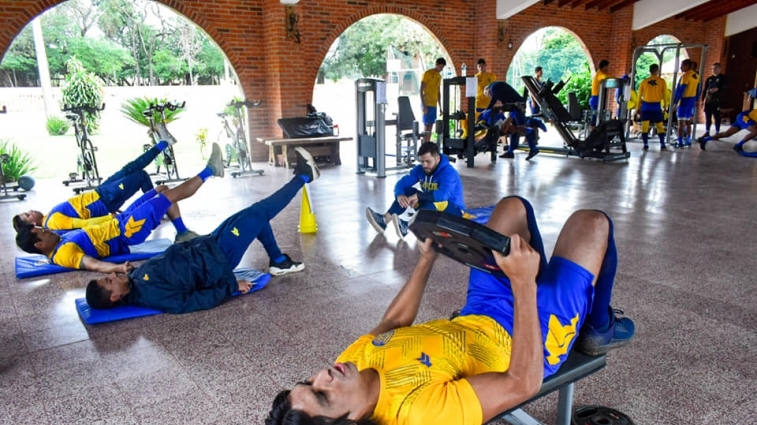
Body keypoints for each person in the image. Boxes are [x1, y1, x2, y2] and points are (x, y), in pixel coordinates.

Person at [268, 196, 635, 425]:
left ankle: (539, 275)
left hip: (480, 311)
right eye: (322, 395)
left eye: (308, 382)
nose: (322, 376)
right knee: (592, 222)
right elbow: (521, 383)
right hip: (531, 341)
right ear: (353, 420)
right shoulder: (420, 412)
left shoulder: (349, 365)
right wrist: (523, 284)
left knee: (512, 208)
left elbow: (394, 322)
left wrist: (426, 260)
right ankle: (598, 326)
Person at [84, 148, 320, 313]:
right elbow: (191, 302)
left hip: (207, 245)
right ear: (115, 297)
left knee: (252, 215)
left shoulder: (135, 280)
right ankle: (304, 176)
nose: (112, 275)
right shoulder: (150, 295)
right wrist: (230, 286)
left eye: (108, 276)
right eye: (109, 281)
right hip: (218, 258)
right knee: (259, 212)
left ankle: (278, 261)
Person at [13, 144, 226, 273]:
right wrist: (118, 268)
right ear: (40, 244)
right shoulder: (64, 254)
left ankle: (182, 233)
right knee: (168, 197)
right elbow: (93, 264)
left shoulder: (58, 239)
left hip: (121, 220)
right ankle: (210, 170)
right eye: (43, 232)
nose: (48, 230)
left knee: (161, 190)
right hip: (127, 230)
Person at [13, 139, 198, 242]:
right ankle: (161, 213)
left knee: (131, 168)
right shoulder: (53, 221)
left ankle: (163, 143)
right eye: (28, 215)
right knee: (140, 176)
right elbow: (84, 224)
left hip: (100, 193)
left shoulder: (49, 217)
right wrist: (112, 218)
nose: (31, 211)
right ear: (33, 225)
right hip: (105, 199)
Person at [365, 142, 464, 239]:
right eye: (422, 161)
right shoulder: (420, 169)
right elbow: (401, 184)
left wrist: (419, 196)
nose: (424, 165)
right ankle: (384, 220)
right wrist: (399, 195)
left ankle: (407, 226)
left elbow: (443, 195)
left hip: (453, 212)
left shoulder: (449, 173)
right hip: (431, 208)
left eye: (428, 161)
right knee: (407, 191)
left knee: (437, 202)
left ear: (437, 159)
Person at [698, 88, 757, 155]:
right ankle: (738, 146)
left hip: (745, 118)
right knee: (755, 131)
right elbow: (753, 92)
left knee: (727, 134)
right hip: (745, 117)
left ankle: (704, 140)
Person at [637, 64, 668, 151]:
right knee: (660, 126)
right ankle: (662, 144)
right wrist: (665, 106)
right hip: (656, 106)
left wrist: (638, 108)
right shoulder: (662, 81)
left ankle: (646, 145)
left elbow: (639, 96)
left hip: (646, 107)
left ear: (650, 71)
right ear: (657, 71)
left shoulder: (644, 82)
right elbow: (665, 95)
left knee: (645, 127)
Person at [673, 59, 700, 147]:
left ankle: (680, 141)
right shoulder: (696, 76)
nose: (681, 67)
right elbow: (698, 89)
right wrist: (697, 99)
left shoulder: (686, 76)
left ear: (687, 66)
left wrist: (675, 102)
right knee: (688, 122)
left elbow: (681, 90)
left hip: (683, 101)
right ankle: (688, 140)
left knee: (681, 123)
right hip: (691, 101)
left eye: (682, 65)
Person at [420, 58, 446, 142]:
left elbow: (438, 92)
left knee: (431, 125)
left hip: (433, 104)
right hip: (426, 103)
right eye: (440, 67)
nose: (441, 69)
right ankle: (424, 144)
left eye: (443, 67)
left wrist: (440, 107)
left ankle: (428, 142)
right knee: (426, 125)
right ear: (436, 64)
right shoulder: (427, 73)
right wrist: (424, 105)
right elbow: (421, 90)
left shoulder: (439, 76)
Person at [701, 63, 727, 136]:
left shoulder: (723, 78)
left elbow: (726, 86)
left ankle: (717, 132)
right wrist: (702, 100)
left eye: (715, 68)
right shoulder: (709, 79)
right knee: (708, 116)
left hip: (717, 100)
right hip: (709, 100)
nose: (714, 70)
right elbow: (705, 89)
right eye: (712, 68)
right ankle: (707, 131)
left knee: (716, 116)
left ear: (719, 68)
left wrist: (718, 88)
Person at [589, 60, 611, 131]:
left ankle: (597, 130)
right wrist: (610, 76)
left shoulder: (602, 73)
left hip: (598, 97)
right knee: (595, 116)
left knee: (598, 115)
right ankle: (593, 131)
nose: (608, 68)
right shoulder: (599, 73)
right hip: (596, 97)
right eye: (607, 66)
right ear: (604, 66)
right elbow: (604, 77)